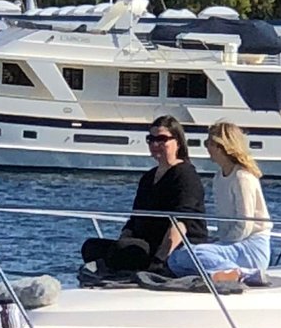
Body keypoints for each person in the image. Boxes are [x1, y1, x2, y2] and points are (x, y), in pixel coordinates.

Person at [81, 115, 207, 272]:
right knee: (91, 247)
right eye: (151, 139)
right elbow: (134, 220)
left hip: (173, 247)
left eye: (162, 139)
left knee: (122, 250)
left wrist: (160, 259)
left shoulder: (185, 175)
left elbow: (180, 224)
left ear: (178, 142)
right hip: (145, 242)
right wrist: (123, 240)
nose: (155, 144)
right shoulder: (148, 177)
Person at [166, 121, 272, 280]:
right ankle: (221, 273)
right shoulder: (219, 178)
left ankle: (244, 273)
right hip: (233, 244)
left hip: (251, 246)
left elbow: (244, 225)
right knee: (175, 259)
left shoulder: (242, 177)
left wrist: (221, 244)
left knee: (195, 253)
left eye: (208, 143)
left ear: (220, 146)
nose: (206, 147)